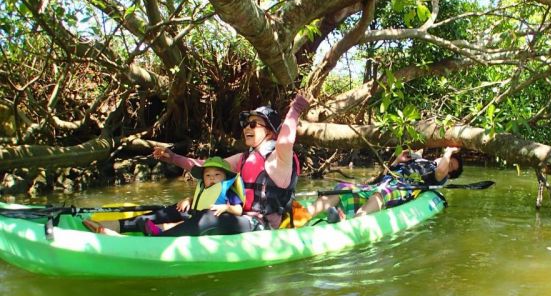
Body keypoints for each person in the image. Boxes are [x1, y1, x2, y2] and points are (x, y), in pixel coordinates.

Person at [152, 93, 310, 233]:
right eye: (246, 124)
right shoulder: (244, 158)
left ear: (269, 132)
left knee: (209, 217)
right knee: (183, 209)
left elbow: (285, 142)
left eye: (254, 124)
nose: (247, 128)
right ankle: (135, 224)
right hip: (238, 214)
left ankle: (159, 238)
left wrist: (296, 109)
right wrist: (173, 158)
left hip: (261, 225)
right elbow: (206, 166)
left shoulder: (279, 158)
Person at [83, 156, 245, 236]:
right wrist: (188, 200)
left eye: (217, 175)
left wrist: (226, 207)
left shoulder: (229, 191)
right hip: (195, 213)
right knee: (173, 209)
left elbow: (238, 210)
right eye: (208, 175)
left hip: (214, 219)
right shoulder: (204, 186)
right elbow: (199, 200)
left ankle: (159, 234)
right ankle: (117, 225)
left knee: (192, 220)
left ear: (225, 177)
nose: (212, 178)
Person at [305, 147, 463, 222]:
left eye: (451, 166)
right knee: (342, 189)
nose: (447, 164)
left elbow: (442, 172)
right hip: (384, 182)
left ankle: (353, 223)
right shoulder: (420, 160)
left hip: (401, 189)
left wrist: (448, 153)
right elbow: (387, 173)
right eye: (449, 162)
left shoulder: (439, 175)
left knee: (382, 192)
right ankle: (303, 217)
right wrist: (397, 160)